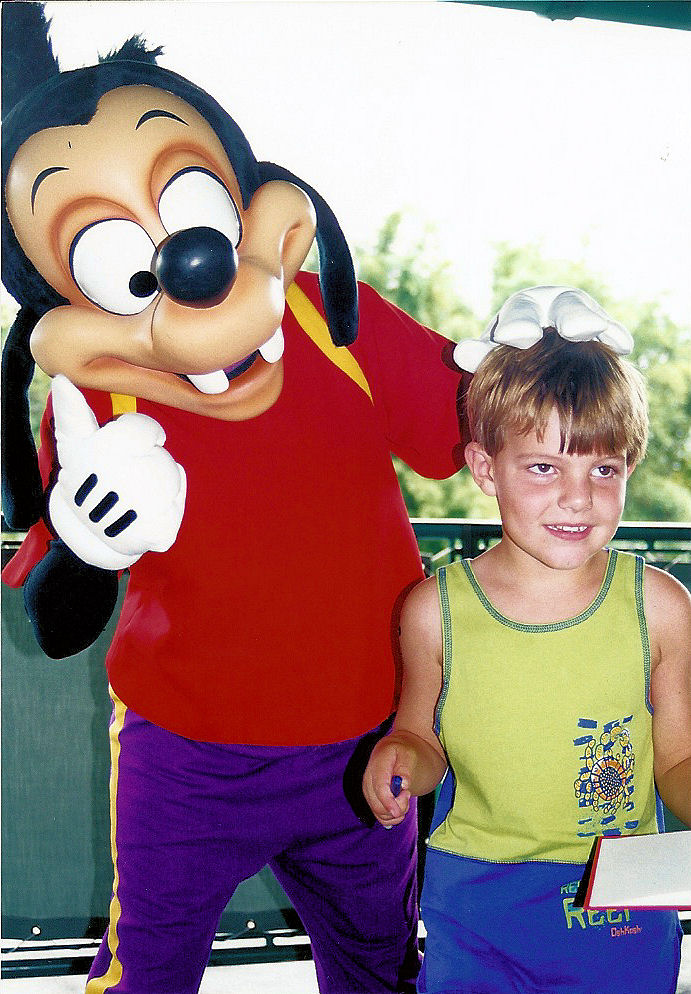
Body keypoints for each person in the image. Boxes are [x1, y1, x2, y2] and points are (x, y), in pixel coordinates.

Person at [363, 329, 691, 993]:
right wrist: (399, 758)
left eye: (603, 468)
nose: (578, 496)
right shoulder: (433, 610)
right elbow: (420, 735)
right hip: (475, 901)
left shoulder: (657, 605)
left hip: (620, 898)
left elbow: (676, 758)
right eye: (543, 466)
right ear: (485, 468)